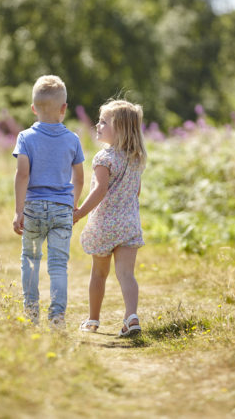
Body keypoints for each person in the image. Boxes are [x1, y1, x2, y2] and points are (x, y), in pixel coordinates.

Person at [12, 75, 84, 326]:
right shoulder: (73, 139)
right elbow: (79, 177)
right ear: (64, 108)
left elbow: (22, 175)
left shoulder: (25, 137)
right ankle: (57, 316)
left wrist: (18, 211)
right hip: (61, 210)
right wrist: (72, 204)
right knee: (58, 264)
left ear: (33, 108)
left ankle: (31, 314)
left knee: (30, 260)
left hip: (32, 209)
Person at [73, 99, 146, 337]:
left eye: (104, 122)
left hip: (104, 224)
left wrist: (81, 212)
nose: (97, 125)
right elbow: (137, 191)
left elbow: (99, 190)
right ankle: (131, 317)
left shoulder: (103, 158)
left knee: (99, 274)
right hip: (129, 223)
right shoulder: (136, 159)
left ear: (120, 129)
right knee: (126, 274)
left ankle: (93, 320)